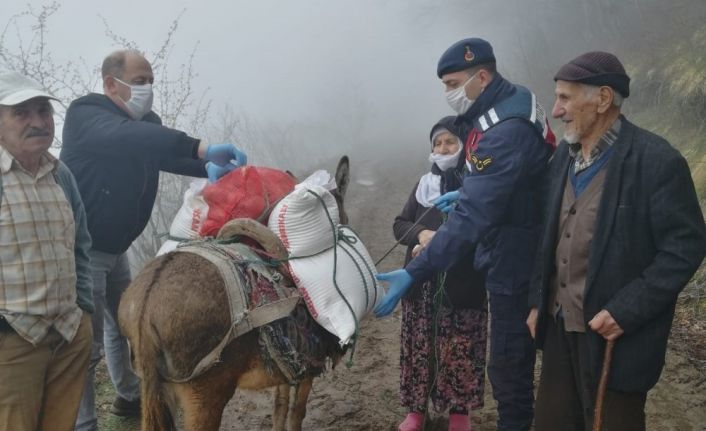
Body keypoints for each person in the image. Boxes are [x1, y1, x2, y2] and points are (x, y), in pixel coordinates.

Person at [59, 49, 248, 431]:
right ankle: (83, 423)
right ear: (112, 84)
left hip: (117, 248)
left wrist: (204, 166)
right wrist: (200, 147)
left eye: (150, 81)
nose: (147, 88)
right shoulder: (86, 115)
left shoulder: (147, 123)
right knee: (87, 344)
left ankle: (129, 396)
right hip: (83, 250)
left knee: (124, 326)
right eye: (139, 80)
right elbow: (133, 138)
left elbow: (162, 152)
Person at [375, 38, 555, 431]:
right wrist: (469, 187)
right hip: (518, 237)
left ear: (482, 77)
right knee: (511, 364)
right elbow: (502, 179)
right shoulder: (513, 101)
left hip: (516, 254)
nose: (448, 93)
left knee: (508, 369)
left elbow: (473, 217)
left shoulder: (504, 130)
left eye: (453, 83)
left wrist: (414, 272)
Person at [526, 51, 706, 431]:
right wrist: (536, 301)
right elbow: (547, 237)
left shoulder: (656, 161)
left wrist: (628, 309)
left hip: (614, 341)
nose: (556, 110)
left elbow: (685, 247)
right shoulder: (563, 159)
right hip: (559, 329)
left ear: (603, 99)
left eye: (565, 98)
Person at [0, 71, 94, 430]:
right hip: (13, 341)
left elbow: (81, 245)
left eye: (44, 111)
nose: (38, 122)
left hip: (68, 334)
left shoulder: (61, 174)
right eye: (21, 113)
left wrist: (84, 311)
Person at [392, 117, 487, 431]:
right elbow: (400, 224)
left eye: (450, 142)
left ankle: (460, 412)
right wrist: (421, 236)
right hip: (421, 287)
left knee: (460, 347)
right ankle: (416, 411)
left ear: (464, 146)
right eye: (437, 143)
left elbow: (483, 231)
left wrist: (445, 241)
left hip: (463, 285)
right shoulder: (423, 185)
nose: (443, 149)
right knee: (421, 347)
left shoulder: (478, 185)